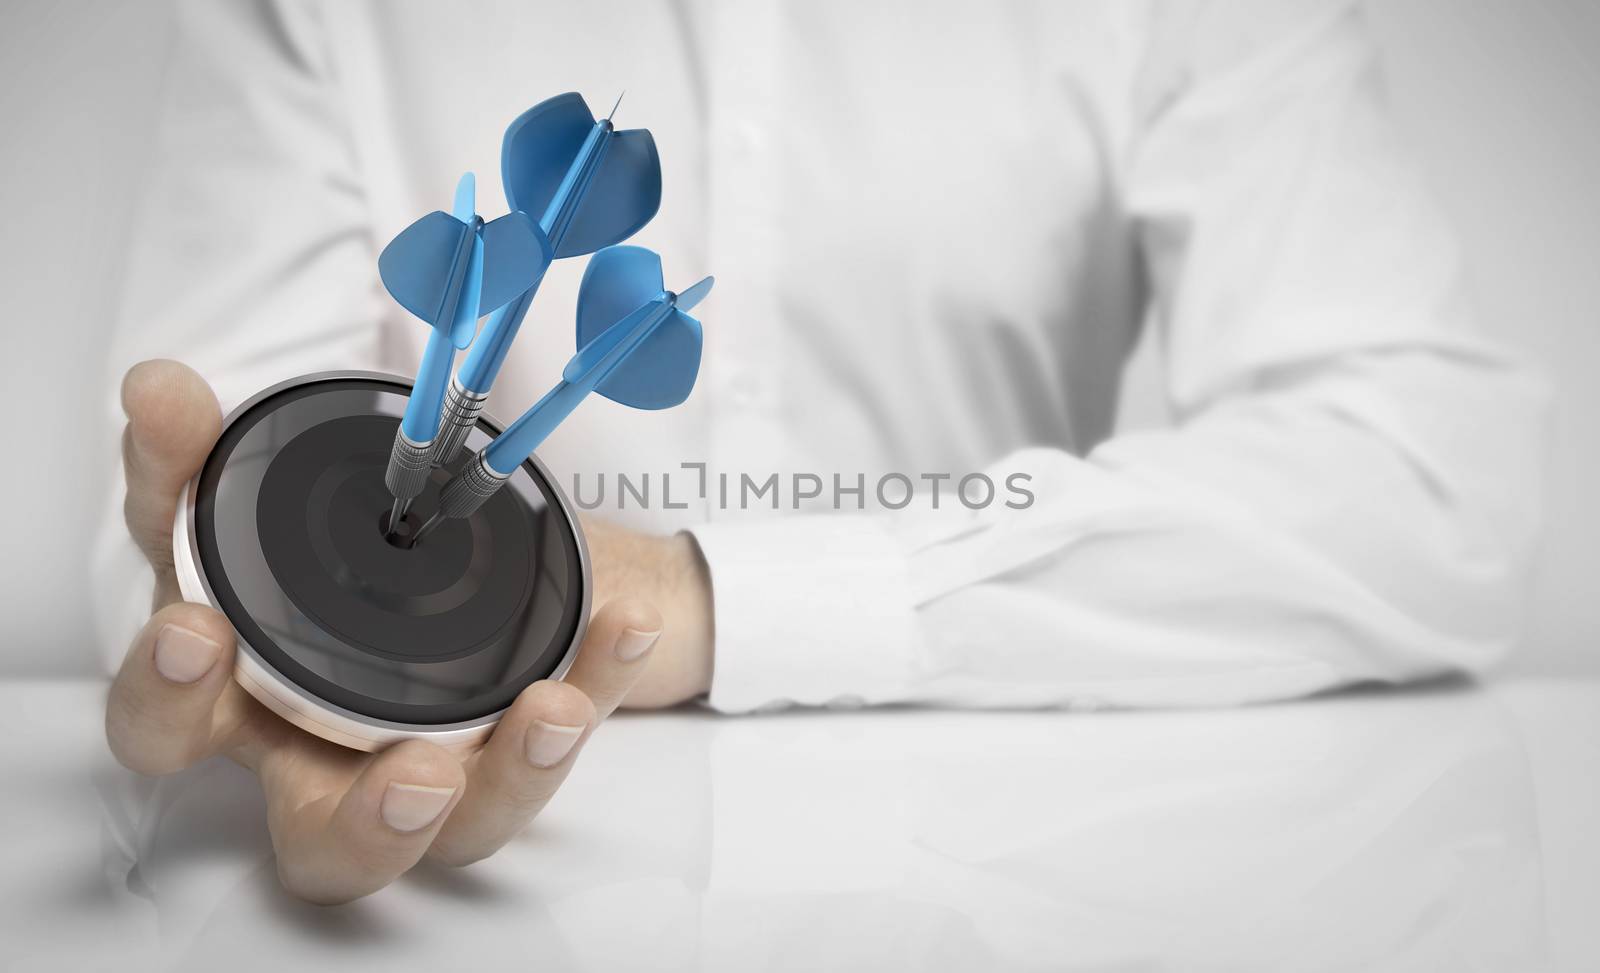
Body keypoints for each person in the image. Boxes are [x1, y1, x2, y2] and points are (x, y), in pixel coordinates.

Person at [98, 0, 1546, 903]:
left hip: (1006, 884)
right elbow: (193, 501)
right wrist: (236, 661)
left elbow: (1437, 483)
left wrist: (699, 597)